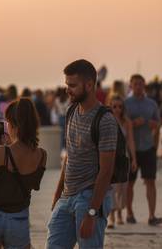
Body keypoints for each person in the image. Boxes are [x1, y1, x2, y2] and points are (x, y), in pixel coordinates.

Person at [46, 59, 118, 249]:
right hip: (66, 198)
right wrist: (57, 196)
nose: (67, 90)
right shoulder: (71, 111)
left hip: (89, 198)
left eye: (72, 85)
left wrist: (92, 212)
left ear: (89, 85)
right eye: (66, 84)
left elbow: (106, 171)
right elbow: (70, 156)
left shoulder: (105, 120)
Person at [0, 98, 47, 249]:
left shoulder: (0, 153)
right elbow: (33, 185)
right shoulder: (42, 155)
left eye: (8, 122)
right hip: (18, 220)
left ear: (14, 125)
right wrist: (6, 148)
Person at [124, 74, 162, 226]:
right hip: (131, 149)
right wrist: (132, 123)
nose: (139, 86)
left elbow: (158, 124)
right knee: (129, 183)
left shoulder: (152, 104)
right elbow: (121, 124)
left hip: (148, 148)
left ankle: (152, 216)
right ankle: (129, 213)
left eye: (141, 83)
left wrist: (154, 126)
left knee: (150, 182)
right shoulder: (125, 104)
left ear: (144, 85)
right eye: (135, 84)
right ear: (131, 86)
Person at [107, 96, 138, 228]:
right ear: (110, 107)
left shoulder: (127, 122)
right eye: (114, 106)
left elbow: (130, 141)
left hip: (123, 157)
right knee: (111, 187)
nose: (117, 109)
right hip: (109, 157)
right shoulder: (107, 121)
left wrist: (134, 159)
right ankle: (112, 216)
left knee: (122, 187)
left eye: (120, 106)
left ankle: (120, 213)